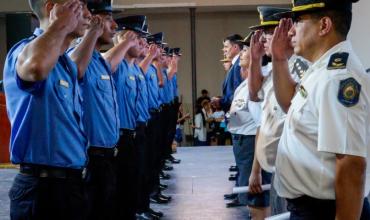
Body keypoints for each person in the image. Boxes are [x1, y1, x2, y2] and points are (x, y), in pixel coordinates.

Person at [272, 0, 370, 219]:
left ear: (324, 26)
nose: (291, 30)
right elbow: (289, 104)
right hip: (311, 207)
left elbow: (351, 163)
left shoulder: (337, 77)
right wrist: (279, 59)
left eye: (298, 21)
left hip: (325, 211)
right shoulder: (321, 69)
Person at [3, 0, 89, 219]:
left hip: (68, 185)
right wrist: (59, 25)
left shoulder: (65, 64)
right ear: (53, 8)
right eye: (79, 6)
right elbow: (35, 67)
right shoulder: (24, 50)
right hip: (43, 190)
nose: (87, 14)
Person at [246, 6, 306, 217]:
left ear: (286, 33)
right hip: (274, 170)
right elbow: (254, 95)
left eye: (269, 33)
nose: (263, 39)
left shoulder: (298, 68)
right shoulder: (274, 69)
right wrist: (255, 59)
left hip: (290, 171)